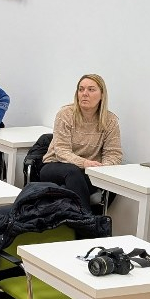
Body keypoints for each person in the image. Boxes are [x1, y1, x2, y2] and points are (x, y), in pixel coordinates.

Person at [40, 74, 122, 211]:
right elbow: (61, 151)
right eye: (81, 89)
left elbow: (114, 153)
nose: (84, 93)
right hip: (55, 165)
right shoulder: (65, 114)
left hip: (88, 171)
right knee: (73, 172)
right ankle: (85, 219)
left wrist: (103, 168)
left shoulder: (110, 120)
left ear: (102, 95)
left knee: (113, 181)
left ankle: (87, 218)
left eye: (91, 89)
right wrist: (84, 163)